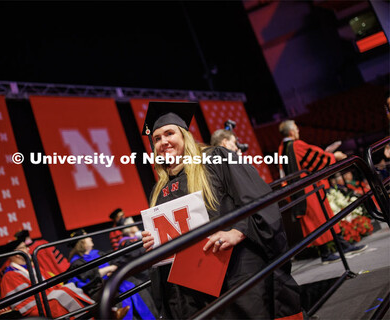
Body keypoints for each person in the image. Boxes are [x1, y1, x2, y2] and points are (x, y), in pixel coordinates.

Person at [141, 101, 303, 319]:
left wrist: (238, 231)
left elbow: (259, 198)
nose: (163, 142)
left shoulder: (214, 159)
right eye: (157, 139)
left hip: (235, 270)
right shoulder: (158, 190)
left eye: (169, 133)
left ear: (184, 136)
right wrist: (154, 243)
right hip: (191, 285)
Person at [278, 120, 367, 263]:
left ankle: (341, 246)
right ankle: (327, 253)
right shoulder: (296, 145)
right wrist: (333, 156)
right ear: (291, 132)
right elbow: (316, 158)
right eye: (296, 128)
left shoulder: (281, 148)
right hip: (307, 189)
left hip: (298, 190)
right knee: (320, 220)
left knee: (322, 219)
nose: (298, 131)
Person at [68, 230, 155, 320]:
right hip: (99, 288)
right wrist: (108, 269)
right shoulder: (76, 262)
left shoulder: (98, 253)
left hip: (112, 281)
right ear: (81, 242)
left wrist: (114, 269)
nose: (90, 238)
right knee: (116, 296)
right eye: (87, 236)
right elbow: (86, 279)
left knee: (137, 283)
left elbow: (114, 262)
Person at [0, 239, 94, 318]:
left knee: (70, 288)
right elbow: (26, 305)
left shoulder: (32, 268)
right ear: (17, 253)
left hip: (47, 300)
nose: (28, 249)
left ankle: (94, 313)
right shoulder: (9, 276)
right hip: (35, 309)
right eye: (24, 247)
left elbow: (54, 284)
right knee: (60, 296)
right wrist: (54, 293)